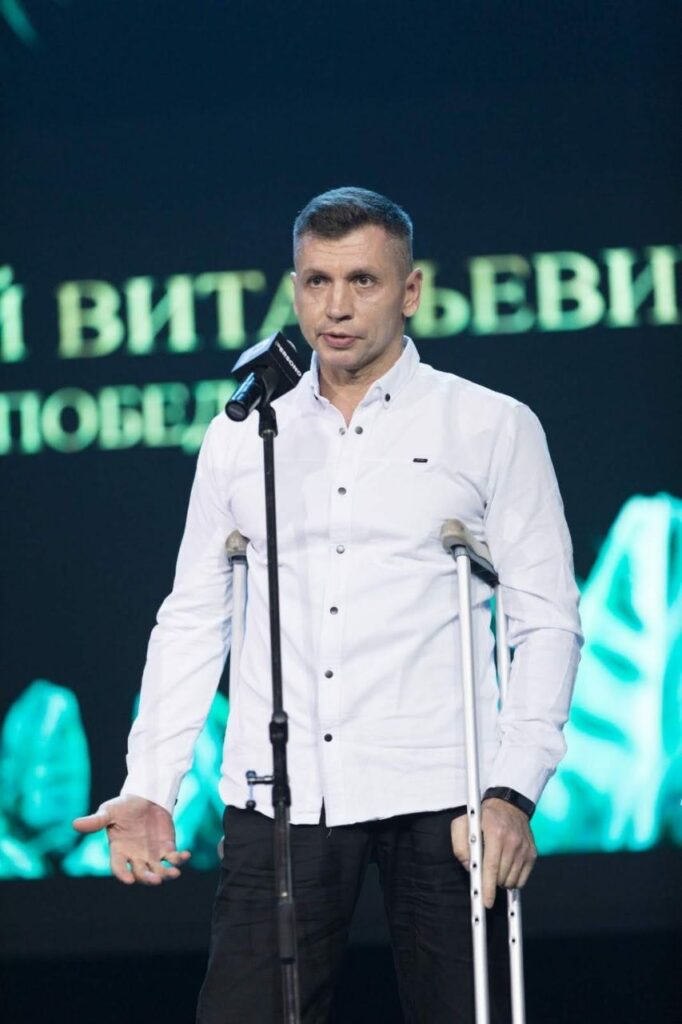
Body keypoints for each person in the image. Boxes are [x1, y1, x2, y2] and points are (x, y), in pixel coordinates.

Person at [73, 187, 582, 1023]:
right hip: (282, 793)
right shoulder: (244, 431)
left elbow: (546, 621)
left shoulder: (491, 426)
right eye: (316, 282)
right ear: (295, 287)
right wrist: (152, 783)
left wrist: (512, 792)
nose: (335, 308)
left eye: (362, 281)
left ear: (409, 291)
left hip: (443, 790)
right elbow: (194, 615)